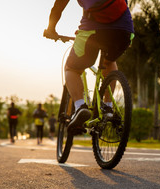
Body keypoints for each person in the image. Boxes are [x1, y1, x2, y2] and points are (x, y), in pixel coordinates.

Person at [44, 0, 134, 130]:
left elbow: (58, 6)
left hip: (93, 30)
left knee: (71, 68)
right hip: (124, 30)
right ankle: (108, 107)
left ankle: (80, 107)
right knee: (109, 61)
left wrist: (51, 29)